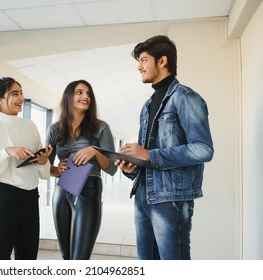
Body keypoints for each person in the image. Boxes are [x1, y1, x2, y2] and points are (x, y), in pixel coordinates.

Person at [115, 35, 214, 260]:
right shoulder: (147, 105)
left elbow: (203, 148)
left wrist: (150, 154)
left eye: (143, 60)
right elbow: (147, 156)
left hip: (170, 199)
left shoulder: (186, 98)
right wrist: (133, 166)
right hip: (143, 196)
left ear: (162, 61)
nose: (139, 67)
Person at [0, 77, 52, 260]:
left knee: (28, 257)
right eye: (14, 94)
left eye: (21, 93)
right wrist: (5, 151)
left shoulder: (30, 126)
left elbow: (43, 173)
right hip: (4, 200)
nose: (21, 98)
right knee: (0, 258)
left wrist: (42, 160)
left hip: (31, 199)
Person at [46, 79, 117, 260]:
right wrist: (56, 169)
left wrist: (95, 150)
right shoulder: (54, 129)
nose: (85, 96)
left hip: (89, 189)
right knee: (66, 256)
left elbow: (112, 169)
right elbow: (45, 167)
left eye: (88, 94)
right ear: (69, 97)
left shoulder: (101, 127)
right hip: (62, 191)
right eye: (79, 92)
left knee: (80, 258)